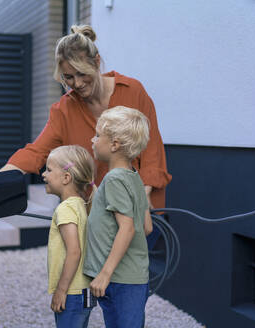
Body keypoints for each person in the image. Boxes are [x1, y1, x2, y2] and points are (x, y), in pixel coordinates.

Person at [0, 24, 171, 209]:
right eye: (69, 77)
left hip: (141, 206)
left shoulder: (132, 92)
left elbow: (152, 151)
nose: (77, 83)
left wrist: (142, 198)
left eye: (82, 73)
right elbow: (35, 153)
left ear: (96, 62)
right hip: (96, 215)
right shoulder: (64, 109)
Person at [84, 106, 153, 328]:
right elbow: (147, 227)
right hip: (133, 278)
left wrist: (104, 274)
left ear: (114, 144)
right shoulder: (134, 177)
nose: (92, 139)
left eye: (97, 135)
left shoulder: (114, 179)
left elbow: (128, 228)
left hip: (119, 279)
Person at [42, 145, 97, 328]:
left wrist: (61, 290)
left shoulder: (65, 209)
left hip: (72, 293)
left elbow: (74, 252)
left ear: (66, 177)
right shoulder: (81, 204)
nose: (43, 174)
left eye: (49, 170)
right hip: (83, 291)